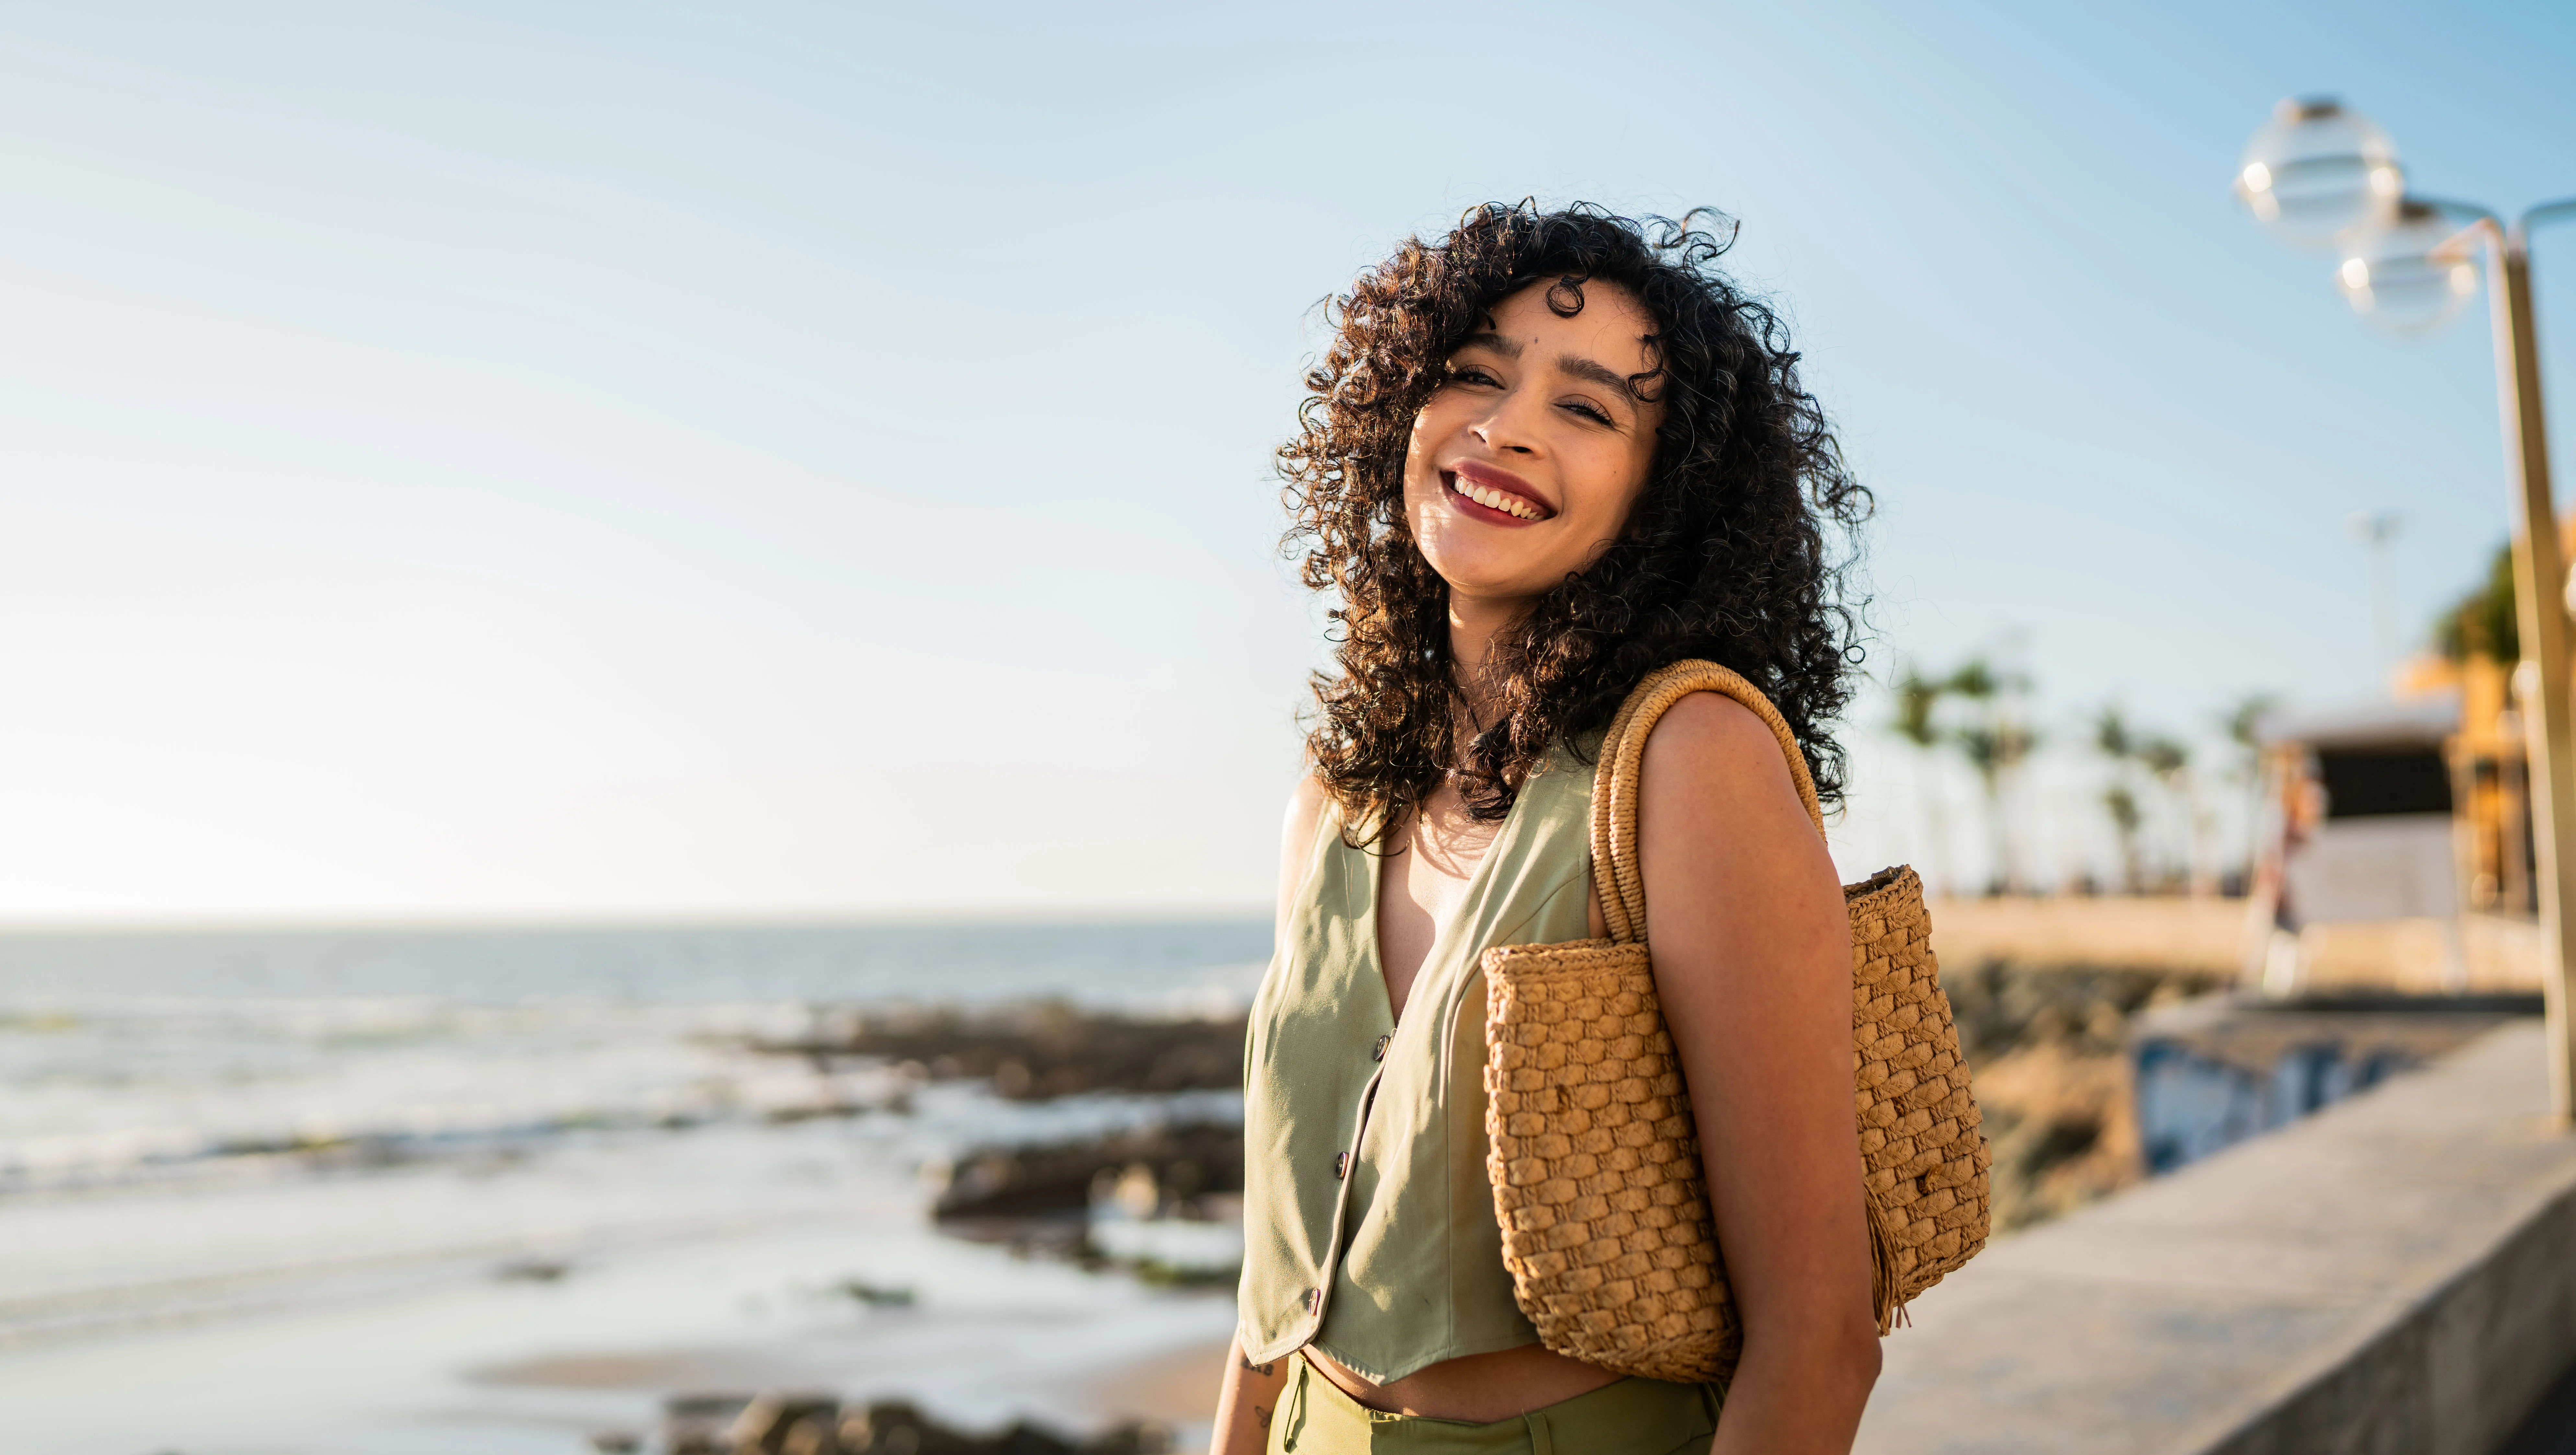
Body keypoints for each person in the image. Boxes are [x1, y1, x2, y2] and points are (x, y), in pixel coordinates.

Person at [1209, 203, 1880, 1455]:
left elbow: (1821, 1338)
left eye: (1587, 408)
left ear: (1666, 495)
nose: (1505, 425)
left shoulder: (1691, 762)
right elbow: (1276, 1293)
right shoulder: (1336, 796)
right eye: (1471, 373)